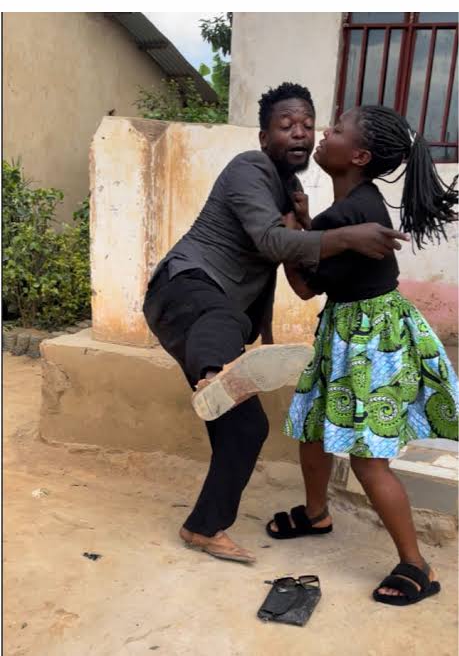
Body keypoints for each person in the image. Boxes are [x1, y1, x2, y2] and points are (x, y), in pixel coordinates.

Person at [143, 84, 408, 564]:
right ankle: (213, 375)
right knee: (221, 318)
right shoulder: (249, 167)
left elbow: (290, 271)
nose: (301, 133)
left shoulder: (288, 190)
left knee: (247, 429)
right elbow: (270, 242)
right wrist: (346, 237)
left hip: (215, 321)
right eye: (286, 125)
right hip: (185, 288)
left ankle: (203, 526)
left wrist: (307, 228)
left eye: (307, 124)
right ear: (265, 137)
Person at [266, 105, 458, 604]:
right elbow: (331, 250)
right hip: (354, 332)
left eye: (335, 129)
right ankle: (316, 514)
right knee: (313, 427)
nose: (322, 133)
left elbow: (305, 287)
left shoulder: (351, 213)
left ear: (358, 156)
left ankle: (417, 565)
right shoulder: (358, 204)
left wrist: (288, 236)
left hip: (370, 342)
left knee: (368, 460)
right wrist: (308, 227)